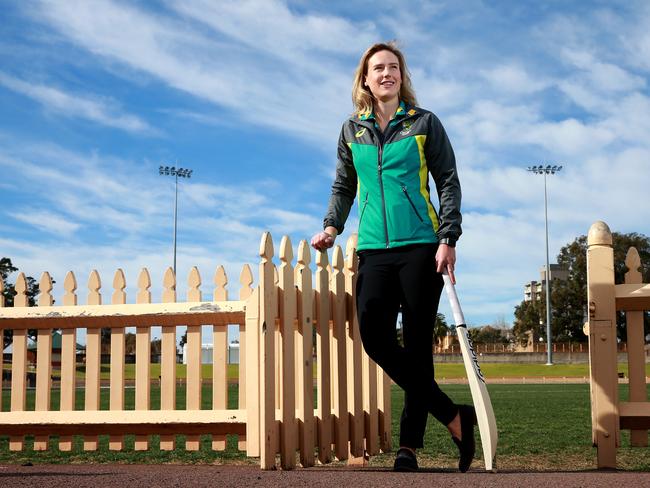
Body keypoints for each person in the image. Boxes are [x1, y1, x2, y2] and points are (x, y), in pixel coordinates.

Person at [310, 41, 475, 472]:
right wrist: (331, 227)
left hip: (421, 246)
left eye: (394, 67)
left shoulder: (424, 123)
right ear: (365, 78)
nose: (386, 73)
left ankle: (409, 447)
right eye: (378, 68)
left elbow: (448, 181)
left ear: (402, 76)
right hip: (373, 249)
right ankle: (455, 416)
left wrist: (448, 236)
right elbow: (344, 186)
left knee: (419, 347)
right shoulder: (352, 130)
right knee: (374, 335)